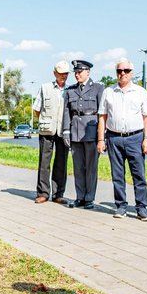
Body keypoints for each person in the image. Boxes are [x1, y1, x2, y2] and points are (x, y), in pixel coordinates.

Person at [96, 58, 147, 220]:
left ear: (132, 73)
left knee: (139, 175)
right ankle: (121, 206)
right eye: (119, 71)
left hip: (135, 137)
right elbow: (102, 117)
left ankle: (141, 208)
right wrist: (101, 140)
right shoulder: (109, 92)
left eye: (126, 71)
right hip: (114, 138)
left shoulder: (141, 92)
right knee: (117, 175)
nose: (122, 74)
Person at [61, 60, 104, 209]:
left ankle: (89, 198)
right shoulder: (71, 90)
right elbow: (66, 112)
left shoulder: (98, 88)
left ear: (88, 72)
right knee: (78, 167)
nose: (77, 74)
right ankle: (80, 197)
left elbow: (102, 114)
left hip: (91, 131)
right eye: (75, 72)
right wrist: (66, 131)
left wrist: (101, 137)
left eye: (80, 72)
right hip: (75, 132)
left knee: (91, 167)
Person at [32, 60, 70, 205]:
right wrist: (45, 120)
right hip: (46, 130)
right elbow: (37, 109)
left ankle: (58, 194)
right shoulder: (45, 88)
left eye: (66, 74)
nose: (63, 76)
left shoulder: (70, 90)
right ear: (55, 73)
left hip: (63, 131)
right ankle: (42, 193)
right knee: (44, 162)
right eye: (60, 74)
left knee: (61, 162)